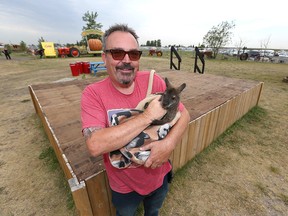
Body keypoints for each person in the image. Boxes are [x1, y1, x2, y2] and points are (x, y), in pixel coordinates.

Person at [81, 24, 190, 216]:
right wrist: (148, 116)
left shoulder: (153, 81)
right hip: (124, 187)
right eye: (117, 53)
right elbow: (95, 145)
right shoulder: (93, 94)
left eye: (133, 54)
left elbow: (185, 114)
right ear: (104, 57)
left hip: (159, 175)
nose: (126, 61)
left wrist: (169, 144)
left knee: (154, 211)